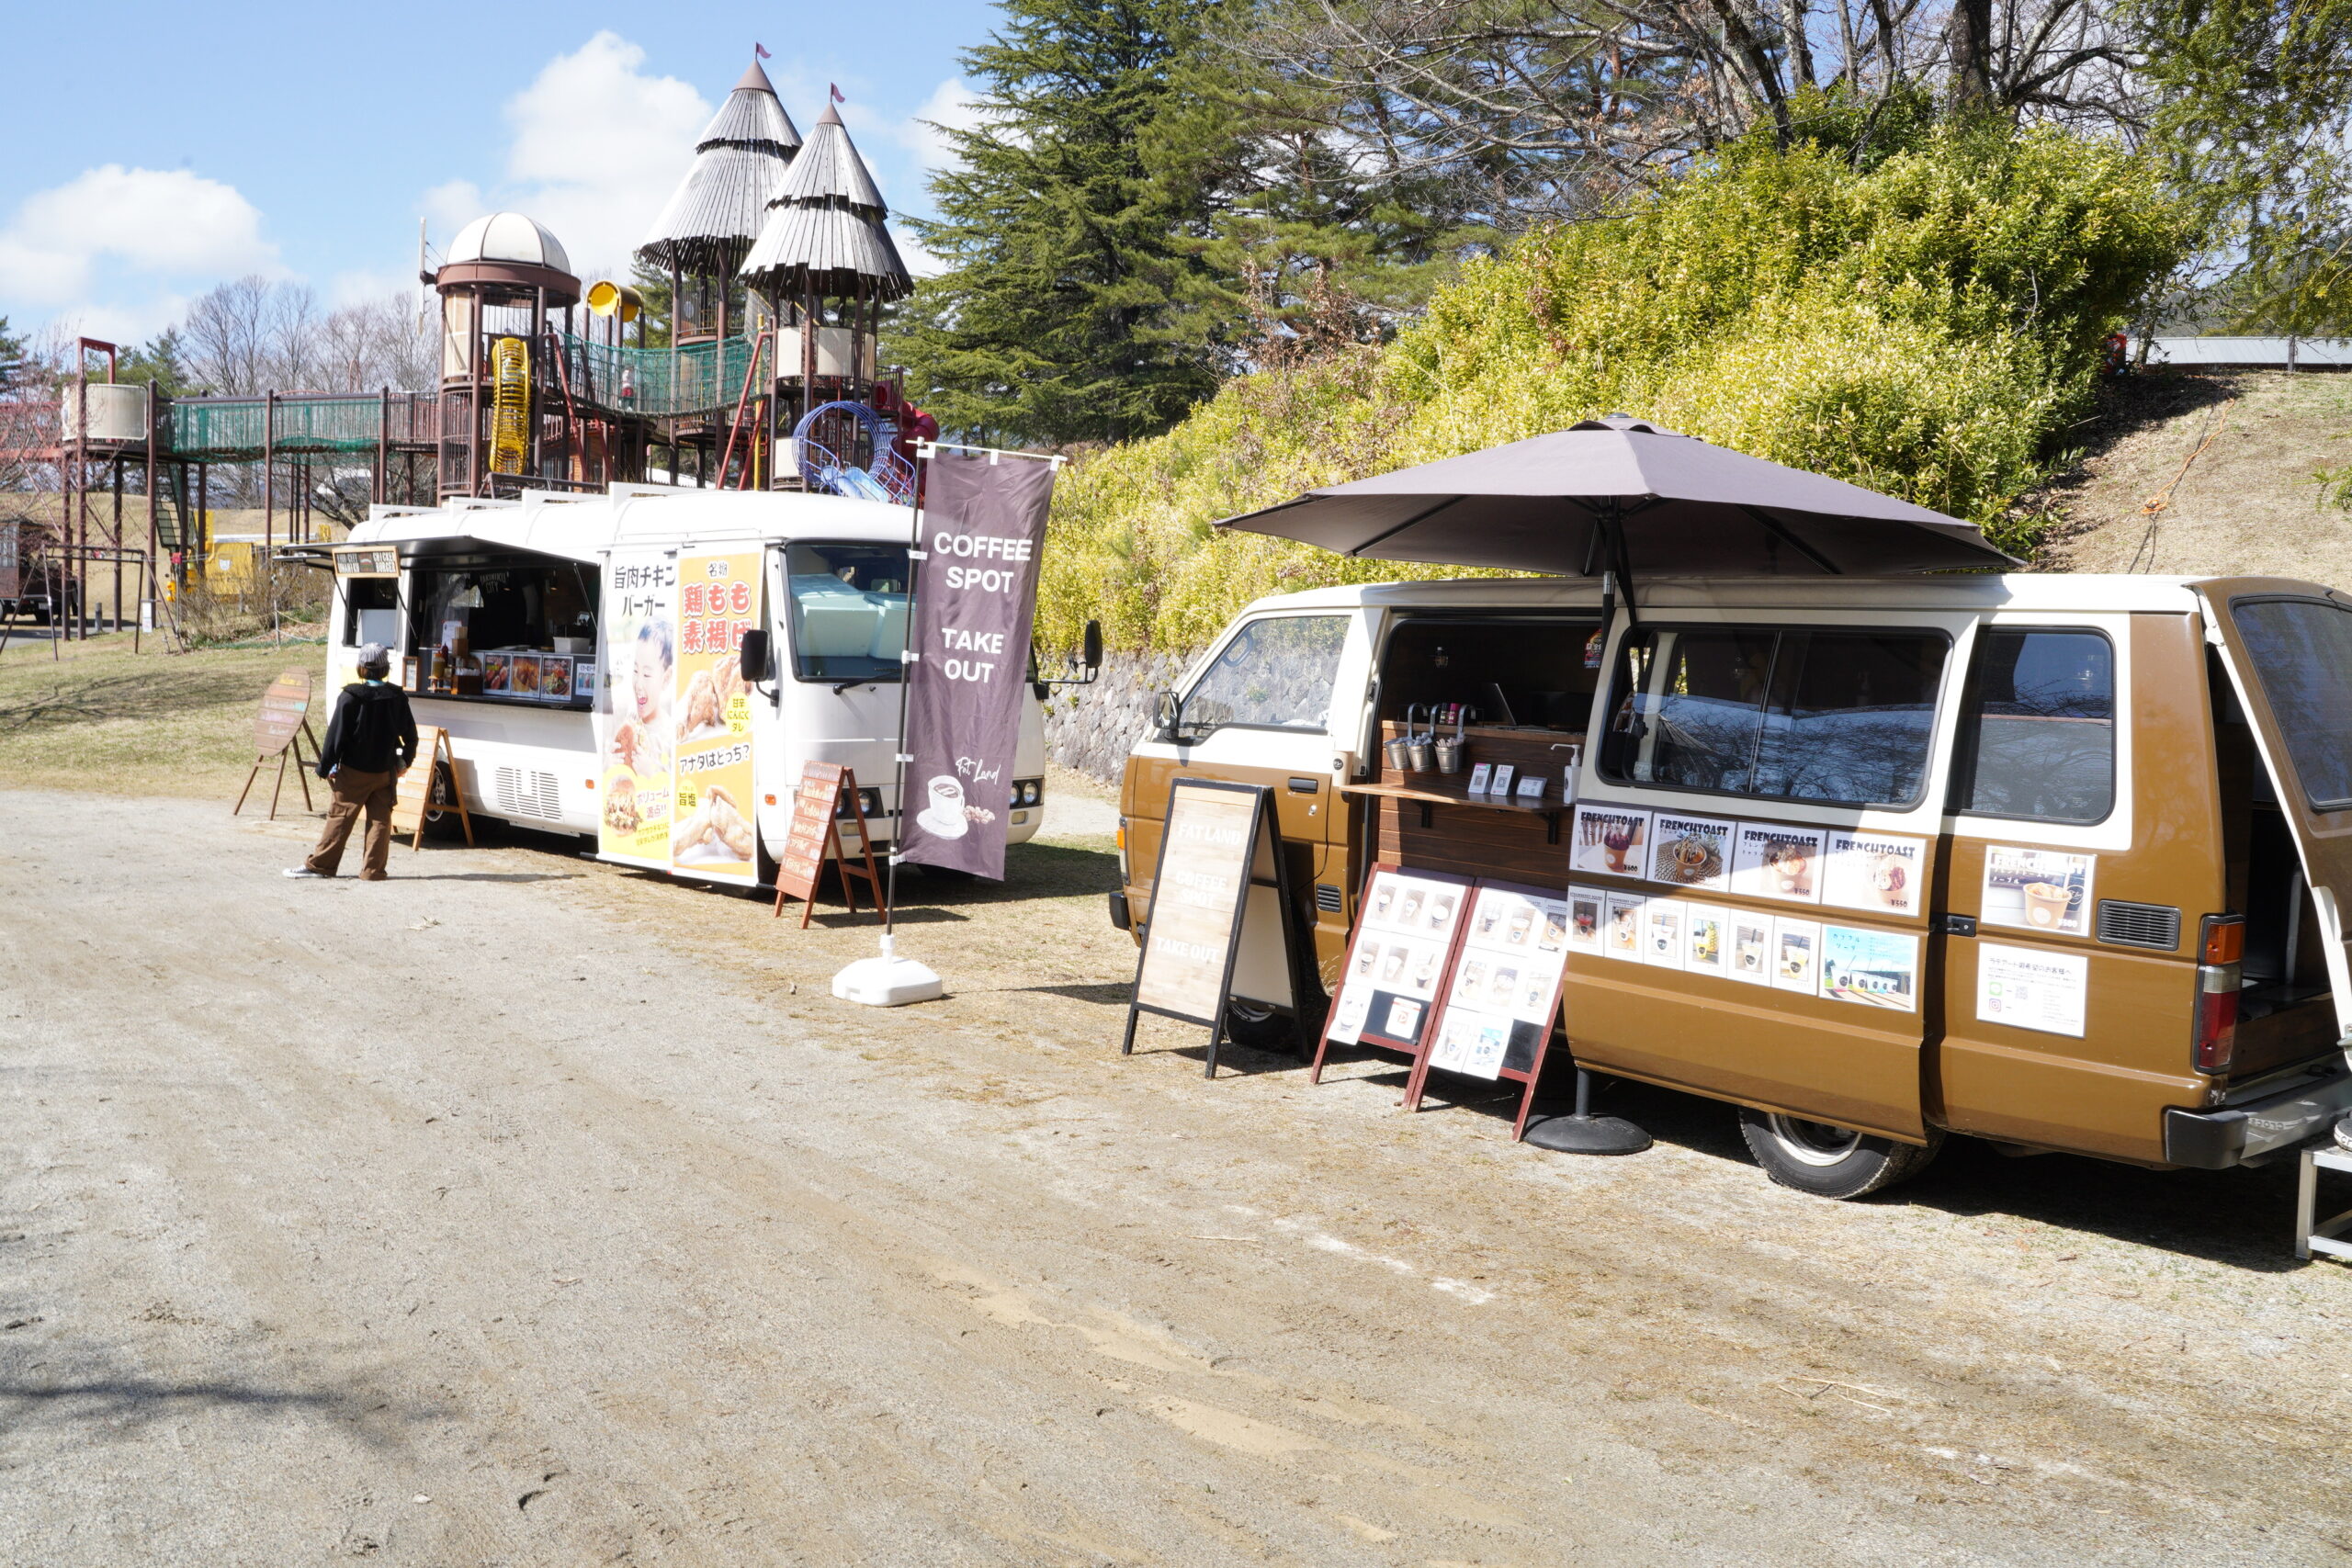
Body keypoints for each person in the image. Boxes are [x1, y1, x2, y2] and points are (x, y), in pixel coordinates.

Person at [286, 642, 418, 881]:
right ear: (385, 668)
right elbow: (411, 737)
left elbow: (335, 737)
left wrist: (325, 767)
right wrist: (404, 763)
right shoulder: (397, 697)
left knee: (340, 817)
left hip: (353, 771)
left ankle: (320, 866)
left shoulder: (350, 697)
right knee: (380, 821)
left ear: (361, 667)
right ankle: (373, 871)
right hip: (384, 772)